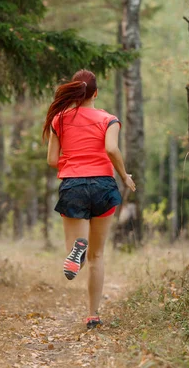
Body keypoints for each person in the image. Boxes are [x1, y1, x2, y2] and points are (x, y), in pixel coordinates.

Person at [43, 69, 136, 329]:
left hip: (73, 185)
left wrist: (75, 162)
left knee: (77, 251)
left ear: (75, 91)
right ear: (95, 93)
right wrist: (125, 176)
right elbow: (110, 148)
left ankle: (77, 248)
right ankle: (93, 315)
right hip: (104, 186)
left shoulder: (58, 120)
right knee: (98, 256)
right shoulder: (109, 120)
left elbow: (52, 160)